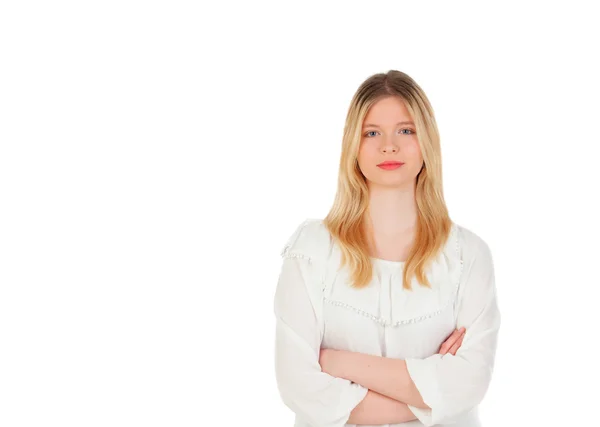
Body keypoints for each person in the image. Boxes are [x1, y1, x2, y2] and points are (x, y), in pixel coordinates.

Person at [273, 70, 501, 427]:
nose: (389, 146)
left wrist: (336, 362)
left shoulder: (467, 255)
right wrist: (432, 397)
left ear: (427, 140)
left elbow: (469, 384)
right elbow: (299, 386)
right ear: (354, 145)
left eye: (406, 130)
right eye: (372, 132)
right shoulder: (312, 250)